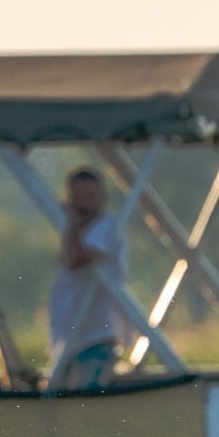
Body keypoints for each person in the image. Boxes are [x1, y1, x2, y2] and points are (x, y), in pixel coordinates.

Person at [48, 167, 132, 389]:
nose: (83, 204)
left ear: (102, 198)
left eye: (90, 197)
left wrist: (73, 224)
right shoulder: (74, 231)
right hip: (70, 336)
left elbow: (75, 260)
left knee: (83, 398)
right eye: (78, 197)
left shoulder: (107, 227)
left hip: (97, 335)